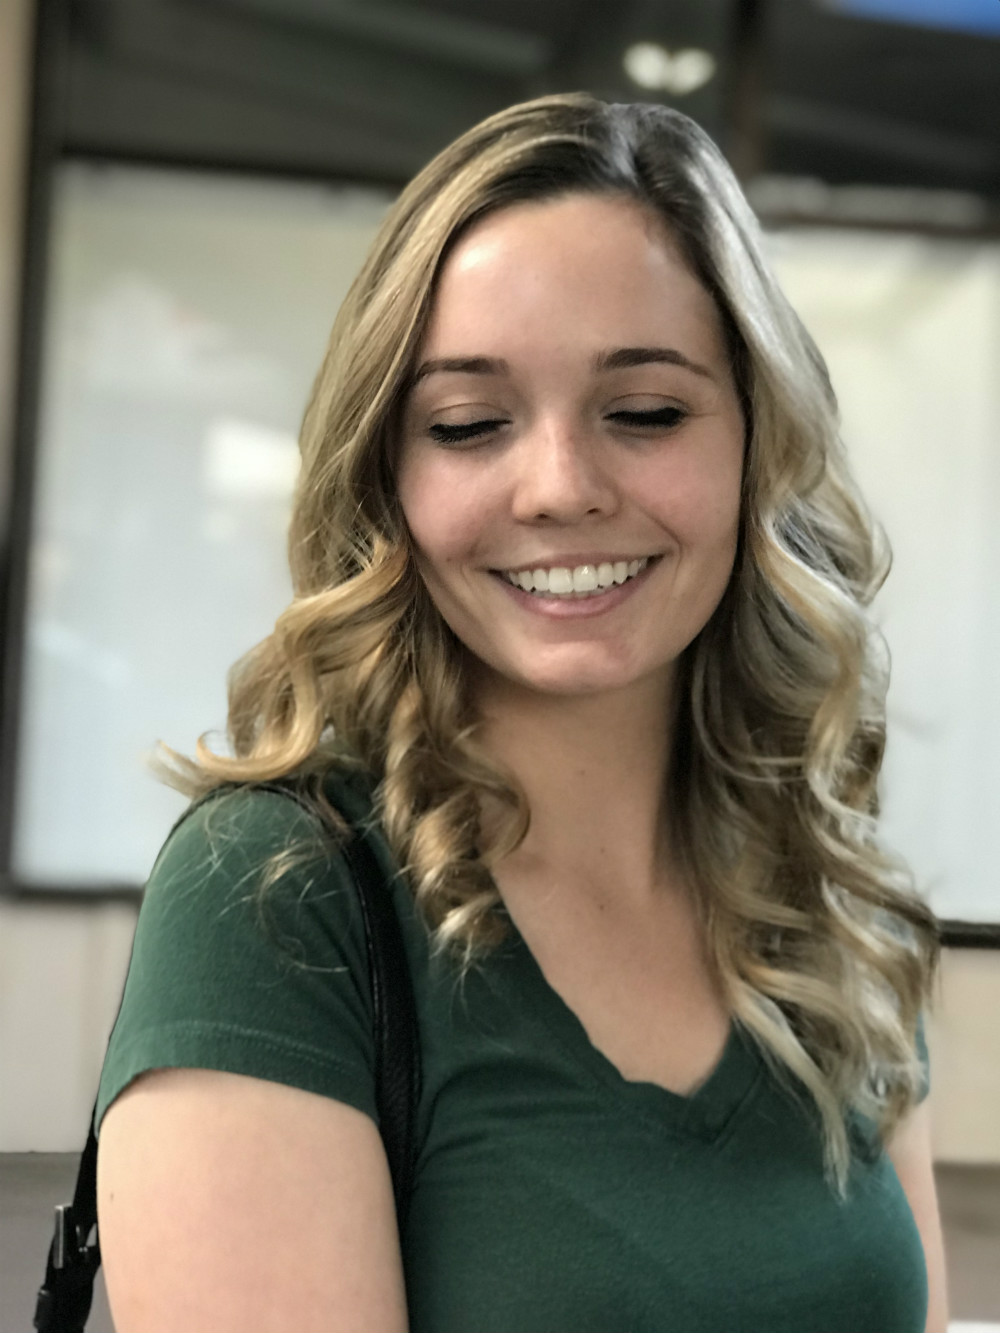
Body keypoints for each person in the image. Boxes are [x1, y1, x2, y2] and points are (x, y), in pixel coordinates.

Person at [94, 94, 948, 1333]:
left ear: (758, 443)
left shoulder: (830, 894)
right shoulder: (275, 896)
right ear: (388, 476)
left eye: (645, 411)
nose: (557, 488)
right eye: (467, 424)